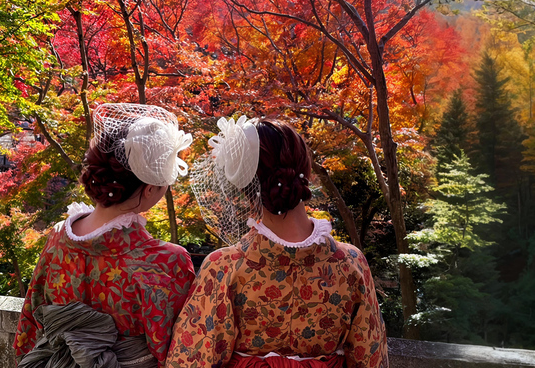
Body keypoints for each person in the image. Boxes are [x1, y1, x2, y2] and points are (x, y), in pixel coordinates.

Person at [165, 117, 388, 368]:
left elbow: (191, 359)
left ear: (243, 187)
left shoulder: (223, 268)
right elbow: (371, 357)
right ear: (307, 169)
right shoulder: (351, 264)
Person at [14, 103, 197, 367]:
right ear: (148, 190)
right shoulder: (167, 261)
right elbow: (174, 349)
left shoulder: (56, 240)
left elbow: (31, 318)